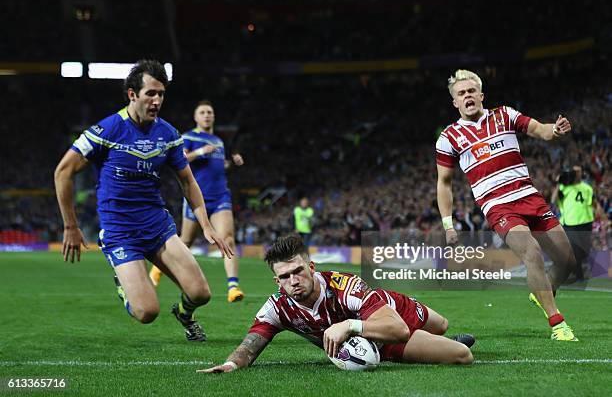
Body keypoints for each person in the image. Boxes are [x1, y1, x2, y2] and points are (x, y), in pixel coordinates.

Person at [54, 60, 232, 342]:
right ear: (132, 95)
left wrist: (206, 225)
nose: (157, 100)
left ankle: (184, 315)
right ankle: (123, 282)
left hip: (157, 226)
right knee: (147, 313)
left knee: (201, 293)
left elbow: (187, 181)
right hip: (120, 231)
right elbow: (63, 171)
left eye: (161, 94)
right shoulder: (106, 130)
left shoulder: (169, 134)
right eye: (151, 93)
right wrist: (70, 227)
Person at [436, 69, 578, 341]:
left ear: (481, 95)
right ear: (454, 101)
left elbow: (541, 130)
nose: (467, 96)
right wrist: (447, 224)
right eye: (461, 93)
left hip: (530, 197)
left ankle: (542, 292)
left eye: (471, 91)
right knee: (532, 252)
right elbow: (443, 183)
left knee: (567, 260)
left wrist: (556, 131)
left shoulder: (505, 115)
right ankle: (557, 323)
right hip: (498, 206)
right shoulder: (449, 138)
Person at [198, 236, 474, 373]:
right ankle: (436, 343)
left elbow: (397, 326)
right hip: (380, 341)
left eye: (298, 271)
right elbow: (250, 346)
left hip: (390, 309)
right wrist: (231, 365)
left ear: (312, 267)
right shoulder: (277, 308)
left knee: (442, 325)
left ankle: (432, 337)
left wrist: (348, 325)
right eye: (285, 276)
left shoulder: (345, 287)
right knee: (461, 354)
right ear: (277, 281)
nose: (293, 280)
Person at [149, 100, 245, 302]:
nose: (207, 115)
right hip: (197, 198)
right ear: (196, 117)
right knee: (185, 242)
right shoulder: (188, 137)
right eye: (202, 112)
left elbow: (217, 167)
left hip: (220, 196)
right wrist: (201, 152)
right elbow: (180, 161)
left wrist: (231, 163)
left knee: (227, 238)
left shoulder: (218, 141)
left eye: (210, 112)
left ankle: (233, 287)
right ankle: (158, 269)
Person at [551, 165, 602, 281]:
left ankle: (575, 270)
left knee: (585, 250)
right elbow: (553, 200)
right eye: (575, 172)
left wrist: (598, 210)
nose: (577, 174)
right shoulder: (564, 187)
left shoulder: (587, 188)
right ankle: (579, 276)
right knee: (575, 250)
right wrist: (559, 183)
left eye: (579, 171)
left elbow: (592, 203)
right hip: (570, 223)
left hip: (586, 222)